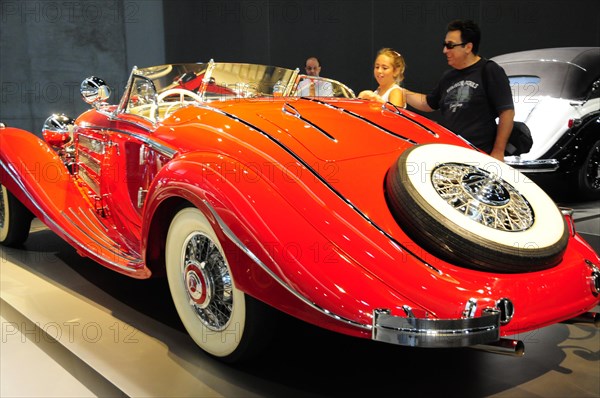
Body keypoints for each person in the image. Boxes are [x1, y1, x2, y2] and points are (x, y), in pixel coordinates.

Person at [405, 19, 514, 161]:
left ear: (468, 47)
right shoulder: (448, 76)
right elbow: (428, 103)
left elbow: (507, 112)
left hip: (480, 157)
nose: (445, 50)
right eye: (445, 45)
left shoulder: (489, 70)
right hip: (451, 156)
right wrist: (402, 92)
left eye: (450, 45)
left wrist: (498, 152)